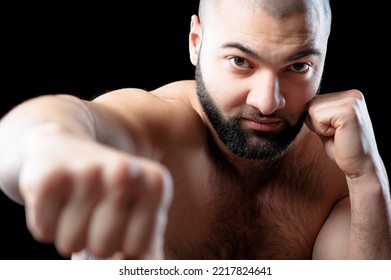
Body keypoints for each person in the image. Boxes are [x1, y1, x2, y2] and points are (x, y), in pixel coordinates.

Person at [0, 0, 390, 260]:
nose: (268, 102)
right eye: (241, 61)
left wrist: (367, 177)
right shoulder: (158, 127)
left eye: (298, 67)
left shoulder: (338, 165)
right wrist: (51, 148)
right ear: (196, 43)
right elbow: (40, 128)